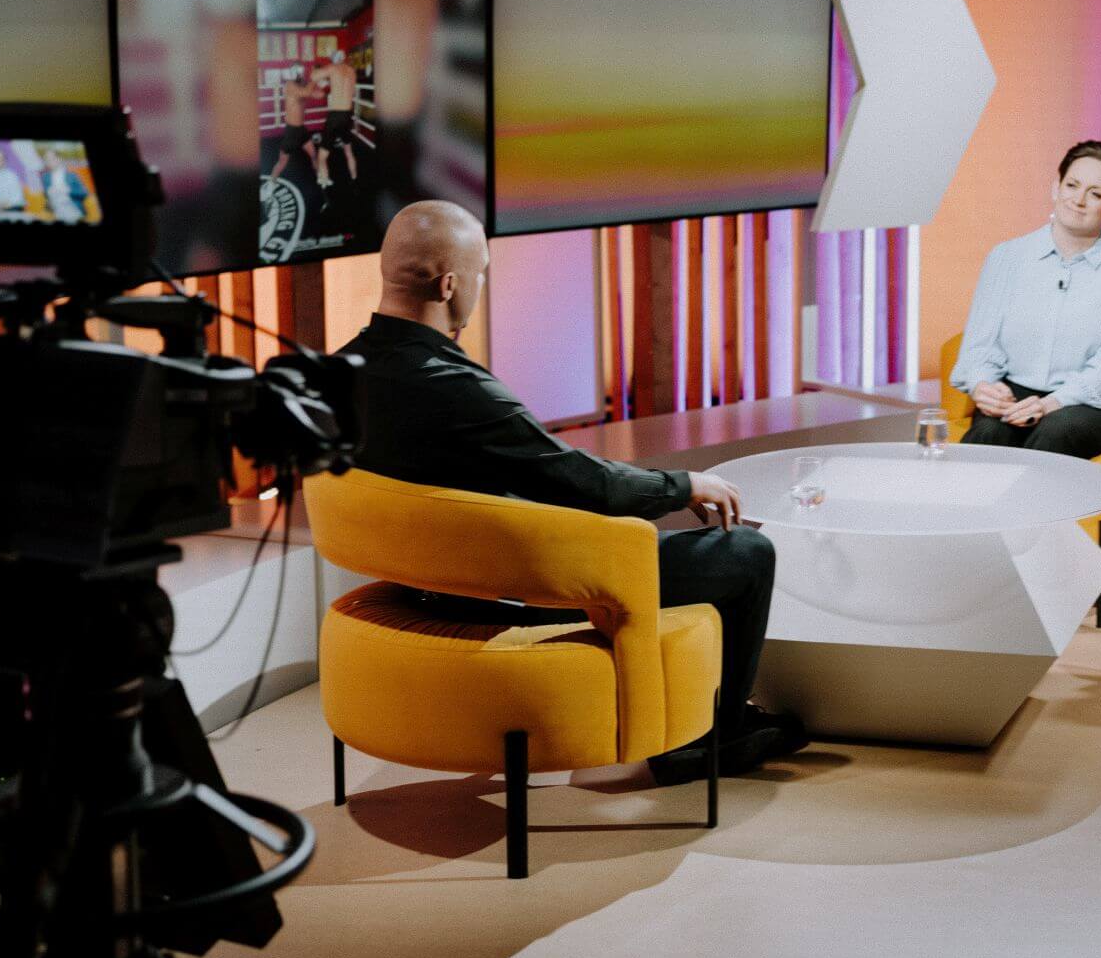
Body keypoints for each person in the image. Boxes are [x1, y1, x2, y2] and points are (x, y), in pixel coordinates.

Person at [335, 201, 807, 783]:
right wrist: (685, 484)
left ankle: (682, 707)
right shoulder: (453, 387)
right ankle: (713, 736)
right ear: (451, 285)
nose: (482, 286)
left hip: (424, 582)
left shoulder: (338, 372)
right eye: (481, 272)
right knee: (745, 553)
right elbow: (584, 483)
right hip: (503, 587)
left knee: (644, 535)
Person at [950, 140, 1101, 457]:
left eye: (1095, 194)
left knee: (1052, 433)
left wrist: (1050, 403)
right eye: (1072, 185)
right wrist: (983, 386)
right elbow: (980, 343)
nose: (1079, 201)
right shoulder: (1007, 257)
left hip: (1096, 404)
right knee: (989, 434)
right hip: (1019, 392)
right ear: (1056, 187)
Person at [268, 65, 320, 184]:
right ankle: (271, 182)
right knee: (282, 161)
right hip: (291, 131)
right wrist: (315, 79)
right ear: (293, 74)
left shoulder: (303, 86)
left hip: (301, 130)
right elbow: (306, 92)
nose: (301, 75)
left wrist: (319, 86)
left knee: (313, 154)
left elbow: (319, 94)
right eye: (299, 72)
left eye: (301, 72)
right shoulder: (290, 85)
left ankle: (320, 177)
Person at [314, 49, 359, 185]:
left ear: (334, 59)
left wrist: (322, 80)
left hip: (335, 116)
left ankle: (324, 181)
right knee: (348, 150)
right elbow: (350, 89)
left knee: (322, 156)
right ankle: (354, 178)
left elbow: (313, 76)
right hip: (347, 115)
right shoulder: (351, 71)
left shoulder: (333, 68)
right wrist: (329, 82)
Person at [35, 149, 89, 224]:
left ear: (59, 159)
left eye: (52, 159)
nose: (49, 162)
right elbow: (45, 197)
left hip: (73, 212)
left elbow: (84, 193)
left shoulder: (71, 175)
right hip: (56, 213)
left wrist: (69, 190)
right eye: (46, 159)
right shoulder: (45, 177)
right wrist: (48, 193)